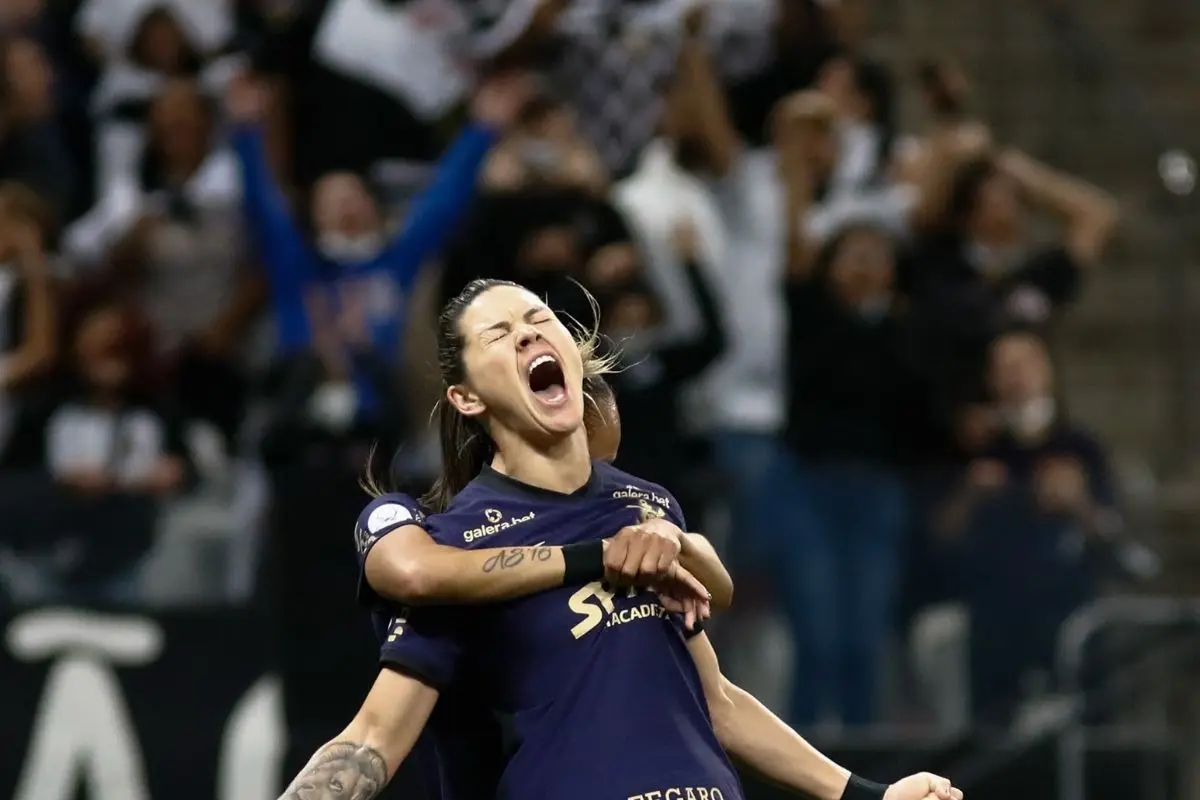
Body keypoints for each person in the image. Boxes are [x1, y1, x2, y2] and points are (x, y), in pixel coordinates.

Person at [278, 278, 961, 800]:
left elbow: (715, 701)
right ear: (466, 399)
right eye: (499, 335)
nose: (527, 335)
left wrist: (864, 794)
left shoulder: (647, 504)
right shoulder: (458, 547)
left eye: (539, 320)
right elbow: (374, 734)